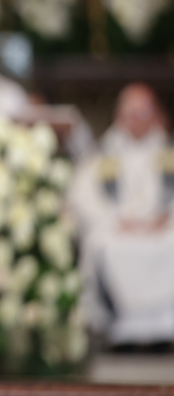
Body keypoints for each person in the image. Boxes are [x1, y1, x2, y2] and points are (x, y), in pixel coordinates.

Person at [68, 83, 174, 347]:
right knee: (101, 243)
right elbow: (82, 195)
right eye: (130, 113)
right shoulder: (104, 154)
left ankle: (164, 328)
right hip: (118, 228)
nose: (136, 120)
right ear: (119, 116)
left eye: (142, 113)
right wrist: (116, 220)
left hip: (162, 228)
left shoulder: (167, 152)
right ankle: (117, 329)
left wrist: (165, 218)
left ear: (155, 114)